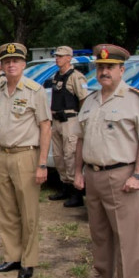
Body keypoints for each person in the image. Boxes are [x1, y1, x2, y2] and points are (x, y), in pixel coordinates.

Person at [73, 44, 139, 278]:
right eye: (100, 67)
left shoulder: (135, 99)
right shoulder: (90, 100)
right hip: (94, 174)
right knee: (99, 233)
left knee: (128, 235)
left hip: (122, 175)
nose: (104, 71)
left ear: (122, 70)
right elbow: (80, 139)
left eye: (110, 67)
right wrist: (78, 172)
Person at [0, 43, 51, 278]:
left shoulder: (35, 91)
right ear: (2, 66)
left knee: (28, 211)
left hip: (26, 155)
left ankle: (28, 260)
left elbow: (46, 127)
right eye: (7, 62)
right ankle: (12, 256)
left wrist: (42, 163)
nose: (11, 65)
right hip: (3, 155)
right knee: (7, 211)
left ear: (24, 64)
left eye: (15, 61)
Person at [47, 46, 90, 207]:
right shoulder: (57, 76)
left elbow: (84, 99)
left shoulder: (76, 77)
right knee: (59, 156)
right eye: (56, 56)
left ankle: (76, 193)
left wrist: (82, 120)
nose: (57, 58)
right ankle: (64, 187)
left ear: (69, 58)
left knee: (70, 155)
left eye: (60, 56)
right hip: (57, 120)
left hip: (70, 120)